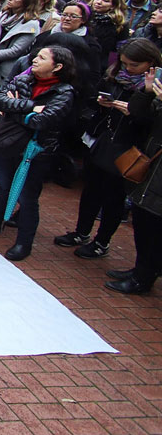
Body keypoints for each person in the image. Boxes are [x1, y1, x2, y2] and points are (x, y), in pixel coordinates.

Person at [54, 39, 162, 258]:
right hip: (105, 139)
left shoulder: (154, 86)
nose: (128, 69)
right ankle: (81, 231)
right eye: (124, 64)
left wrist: (138, 103)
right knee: (91, 190)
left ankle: (102, 241)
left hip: (131, 148)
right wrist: (102, 103)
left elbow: (150, 121)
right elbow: (95, 97)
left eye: (134, 65)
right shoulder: (116, 76)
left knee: (113, 198)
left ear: (149, 63)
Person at [0, 47, 76, 261]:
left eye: (42, 58)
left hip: (36, 151)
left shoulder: (65, 93)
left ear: (58, 67)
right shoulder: (24, 79)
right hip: (10, 144)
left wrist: (13, 110)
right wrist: (30, 107)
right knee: (5, 185)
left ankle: (24, 243)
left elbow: (41, 121)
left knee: (27, 197)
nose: (34, 60)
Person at [111, 68, 162, 294]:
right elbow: (141, 115)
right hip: (152, 164)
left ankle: (144, 278)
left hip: (158, 174)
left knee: (154, 227)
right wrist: (147, 92)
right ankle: (140, 270)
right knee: (142, 220)